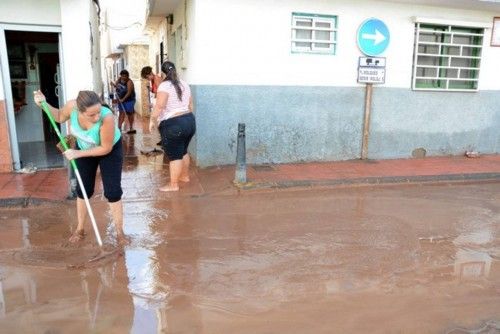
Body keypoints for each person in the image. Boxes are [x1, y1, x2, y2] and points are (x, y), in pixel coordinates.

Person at [33, 89, 129, 245]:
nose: (97, 117)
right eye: (92, 115)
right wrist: (42, 103)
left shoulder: (107, 118)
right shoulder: (72, 107)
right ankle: (80, 229)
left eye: (98, 112)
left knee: (113, 191)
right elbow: (58, 116)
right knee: (83, 189)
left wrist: (77, 154)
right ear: (79, 110)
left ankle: (120, 233)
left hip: (109, 149)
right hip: (84, 148)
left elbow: (105, 148)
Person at [149, 61, 195, 192]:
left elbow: (160, 106)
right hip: (189, 120)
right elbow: (191, 104)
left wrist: (152, 119)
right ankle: (184, 176)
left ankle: (173, 185)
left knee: (175, 156)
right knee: (183, 151)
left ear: (163, 73)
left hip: (174, 124)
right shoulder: (184, 83)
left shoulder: (165, 85)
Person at [140, 66, 163, 146]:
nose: (147, 79)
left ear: (149, 74)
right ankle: (162, 139)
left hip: (159, 102)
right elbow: (155, 91)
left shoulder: (156, 78)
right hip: (157, 101)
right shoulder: (153, 80)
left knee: (160, 122)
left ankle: (164, 140)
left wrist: (154, 103)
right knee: (158, 122)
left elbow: (160, 92)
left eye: (147, 77)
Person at [111, 69, 136, 134]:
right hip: (121, 99)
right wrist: (113, 84)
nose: (124, 77)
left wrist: (123, 99)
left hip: (129, 100)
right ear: (121, 76)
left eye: (125, 76)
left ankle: (131, 127)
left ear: (128, 76)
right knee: (121, 113)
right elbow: (116, 85)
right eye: (122, 76)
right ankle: (119, 128)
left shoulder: (129, 82)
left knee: (129, 113)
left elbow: (129, 92)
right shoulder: (119, 79)